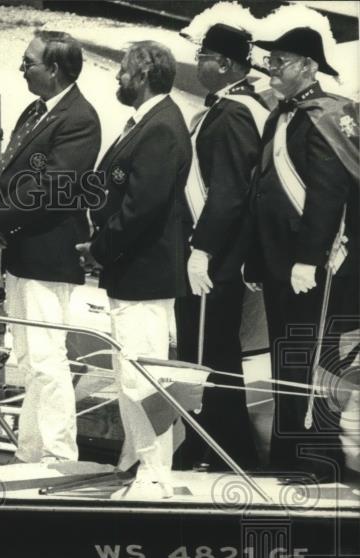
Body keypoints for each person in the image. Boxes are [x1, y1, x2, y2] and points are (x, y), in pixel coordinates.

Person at [0, 30, 101, 464]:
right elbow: (12, 173)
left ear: (54, 70)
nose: (22, 68)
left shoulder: (79, 119)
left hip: (49, 255)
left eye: (29, 62)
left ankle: (58, 455)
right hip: (23, 254)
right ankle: (31, 451)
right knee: (30, 359)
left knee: (49, 361)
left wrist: (0, 218)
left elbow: (55, 186)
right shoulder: (36, 111)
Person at [78, 41, 192, 498]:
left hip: (145, 273)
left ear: (144, 73)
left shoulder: (161, 128)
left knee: (145, 378)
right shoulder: (145, 123)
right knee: (131, 372)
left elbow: (143, 207)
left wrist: (99, 249)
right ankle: (137, 458)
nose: (118, 78)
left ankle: (155, 472)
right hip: (133, 274)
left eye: (124, 70)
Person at [245, 26, 359, 481]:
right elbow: (263, 191)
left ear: (309, 67)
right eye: (271, 61)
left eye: (282, 61)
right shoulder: (280, 116)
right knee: (284, 357)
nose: (271, 68)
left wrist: (308, 258)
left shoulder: (325, 115)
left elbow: (328, 195)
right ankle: (287, 455)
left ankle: (318, 458)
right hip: (278, 263)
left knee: (313, 359)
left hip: (314, 266)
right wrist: (257, 259)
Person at [174, 22, 270, 471]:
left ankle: (219, 447)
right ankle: (213, 443)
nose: (198, 65)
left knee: (209, 355)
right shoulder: (224, 109)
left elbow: (228, 191)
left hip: (217, 259)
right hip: (216, 255)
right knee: (206, 353)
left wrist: (202, 249)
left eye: (203, 57)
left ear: (226, 65)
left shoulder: (233, 112)